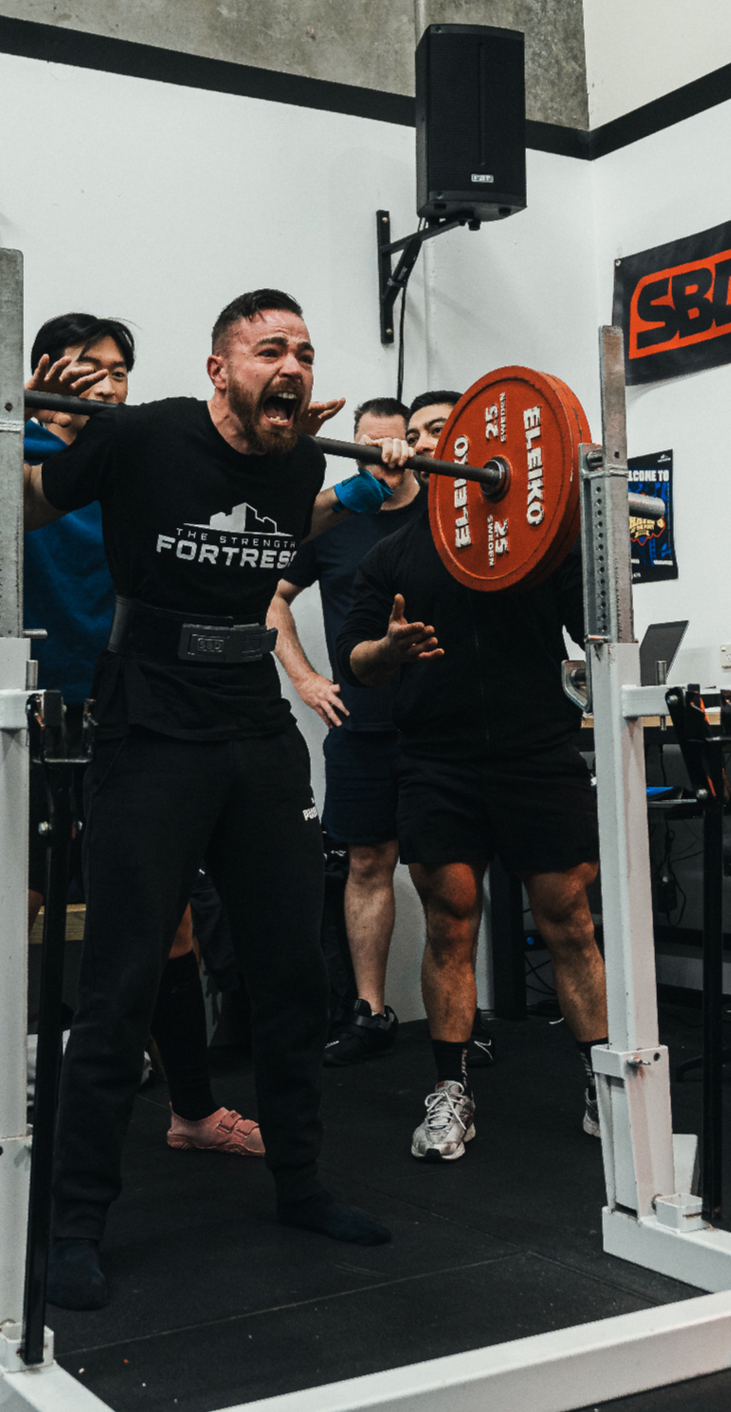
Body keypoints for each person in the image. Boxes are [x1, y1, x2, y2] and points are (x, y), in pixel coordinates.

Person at [15, 288, 417, 1310]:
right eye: (268, 349)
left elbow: (317, 518)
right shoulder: (141, 434)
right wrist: (17, 417)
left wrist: (380, 475)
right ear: (217, 367)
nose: (291, 365)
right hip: (148, 726)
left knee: (287, 971)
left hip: (254, 730)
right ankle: (72, 1224)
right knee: (117, 984)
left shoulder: (295, 458)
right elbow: (21, 503)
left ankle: (300, 1182)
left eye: (305, 352)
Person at [0, 314, 263, 1238]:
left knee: (172, 925)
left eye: (119, 370)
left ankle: (189, 1111)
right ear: (45, 373)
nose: (105, 383)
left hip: (137, 730)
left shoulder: (139, 471)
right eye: (83, 369)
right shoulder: (9, 471)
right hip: (31, 732)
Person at [337, 480, 606, 1163]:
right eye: (426, 435)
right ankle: (450, 1090)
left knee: (568, 917)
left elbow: (598, 628)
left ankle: (602, 1084)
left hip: (538, 753)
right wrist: (388, 651)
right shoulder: (392, 556)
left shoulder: (543, 541)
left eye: (444, 431)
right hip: (436, 760)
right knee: (449, 921)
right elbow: (356, 661)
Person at [268, 393, 443, 1068]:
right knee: (367, 864)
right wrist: (306, 680)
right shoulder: (333, 522)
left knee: (444, 870)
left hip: (437, 723)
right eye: (365, 444)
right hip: (361, 724)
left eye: (392, 444)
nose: (382, 457)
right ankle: (369, 1011)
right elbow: (270, 597)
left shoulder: (442, 514)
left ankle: (460, 1016)